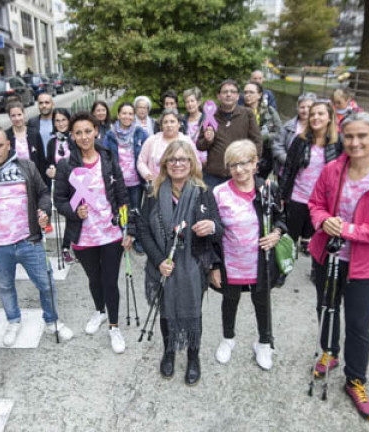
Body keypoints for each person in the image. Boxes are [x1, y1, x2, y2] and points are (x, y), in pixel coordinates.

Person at [307, 112, 369, 421]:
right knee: (326, 308)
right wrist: (324, 220)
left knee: (359, 325)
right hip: (328, 256)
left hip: (364, 265)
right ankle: (329, 352)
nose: (355, 142)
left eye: (362, 135)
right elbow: (315, 205)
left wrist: (350, 230)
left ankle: (355, 380)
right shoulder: (332, 169)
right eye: (349, 136)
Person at [0, 127, 75, 346]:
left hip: (29, 240)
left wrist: (43, 211)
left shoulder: (27, 167)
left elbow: (44, 193)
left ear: (8, 145)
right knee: (5, 287)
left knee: (46, 284)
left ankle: (52, 321)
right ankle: (13, 320)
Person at [136, 139, 222, 385]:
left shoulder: (203, 192)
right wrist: (159, 259)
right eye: (172, 159)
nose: (177, 164)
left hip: (193, 265)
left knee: (193, 311)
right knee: (166, 310)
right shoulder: (153, 191)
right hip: (164, 265)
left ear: (191, 162)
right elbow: (143, 228)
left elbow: (219, 230)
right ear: (165, 163)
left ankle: (193, 356)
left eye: (183, 159)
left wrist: (211, 226)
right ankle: (169, 351)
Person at [54, 113, 134, 353]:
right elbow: (59, 200)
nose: (84, 136)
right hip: (83, 234)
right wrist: (73, 211)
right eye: (78, 133)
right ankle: (99, 311)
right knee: (94, 279)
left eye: (88, 131)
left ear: (96, 131)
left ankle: (114, 326)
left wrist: (128, 229)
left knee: (110, 280)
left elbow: (122, 196)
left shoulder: (108, 158)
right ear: (72, 136)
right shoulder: (66, 165)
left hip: (110, 232)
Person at [210, 140, 287, 371]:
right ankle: (228, 338)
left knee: (262, 302)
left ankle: (264, 342)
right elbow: (212, 233)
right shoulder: (219, 192)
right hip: (231, 262)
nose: (239, 170)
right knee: (229, 301)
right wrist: (214, 266)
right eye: (233, 165)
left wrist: (276, 232)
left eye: (244, 163)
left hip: (260, 263)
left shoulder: (268, 189)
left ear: (255, 163)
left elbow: (282, 218)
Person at [281, 101, 343, 255]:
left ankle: (317, 272)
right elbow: (288, 168)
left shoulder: (338, 144)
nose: (315, 117)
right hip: (297, 198)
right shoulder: (299, 140)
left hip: (321, 203)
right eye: (312, 114)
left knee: (316, 242)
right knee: (288, 240)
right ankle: (280, 275)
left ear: (330, 117)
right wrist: (281, 195)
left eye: (320, 114)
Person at [197, 79, 263, 188]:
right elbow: (200, 145)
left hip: (239, 174)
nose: (228, 94)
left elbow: (257, 142)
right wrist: (208, 140)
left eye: (232, 92)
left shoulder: (247, 114)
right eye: (225, 92)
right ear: (218, 96)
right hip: (214, 176)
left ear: (237, 96)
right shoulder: (210, 115)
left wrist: (252, 164)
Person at [105, 102, 150, 249]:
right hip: (117, 181)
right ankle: (123, 236)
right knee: (121, 210)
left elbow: (147, 154)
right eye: (124, 113)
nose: (127, 116)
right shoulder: (110, 134)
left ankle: (136, 238)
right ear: (118, 115)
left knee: (135, 210)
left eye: (130, 113)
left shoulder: (140, 133)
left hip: (135, 180)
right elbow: (105, 156)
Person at [46, 108, 75, 262]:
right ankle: (66, 247)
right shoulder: (52, 142)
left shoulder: (75, 137)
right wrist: (50, 169)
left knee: (76, 216)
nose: (61, 123)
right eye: (57, 120)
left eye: (64, 120)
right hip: (62, 185)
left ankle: (68, 246)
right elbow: (49, 162)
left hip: (77, 184)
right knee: (70, 214)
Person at [138, 108, 195, 183]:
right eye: (165, 122)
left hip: (182, 184)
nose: (169, 125)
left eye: (172, 122)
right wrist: (147, 174)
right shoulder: (151, 141)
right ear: (161, 125)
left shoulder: (187, 141)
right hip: (157, 184)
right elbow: (141, 162)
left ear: (179, 124)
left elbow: (196, 163)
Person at [242, 82, 282, 179]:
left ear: (259, 95)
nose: (248, 95)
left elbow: (280, 133)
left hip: (265, 156)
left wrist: (265, 137)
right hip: (244, 154)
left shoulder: (270, 111)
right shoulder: (239, 112)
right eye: (245, 92)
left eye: (251, 92)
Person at [273, 93, 317, 177]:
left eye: (309, 107)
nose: (305, 110)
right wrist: (288, 161)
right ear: (297, 108)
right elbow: (277, 146)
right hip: (286, 171)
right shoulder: (288, 126)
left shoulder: (319, 128)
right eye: (302, 107)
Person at [179, 87, 208, 166]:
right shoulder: (182, 121)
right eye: (187, 102)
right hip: (187, 159)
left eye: (192, 101)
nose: (190, 104)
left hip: (204, 160)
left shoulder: (206, 119)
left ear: (198, 102)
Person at [28, 92, 56, 163]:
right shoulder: (32, 123)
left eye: (47, 103)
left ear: (52, 104)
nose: (44, 105)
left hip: (57, 163)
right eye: (41, 103)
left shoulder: (59, 121)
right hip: (39, 164)